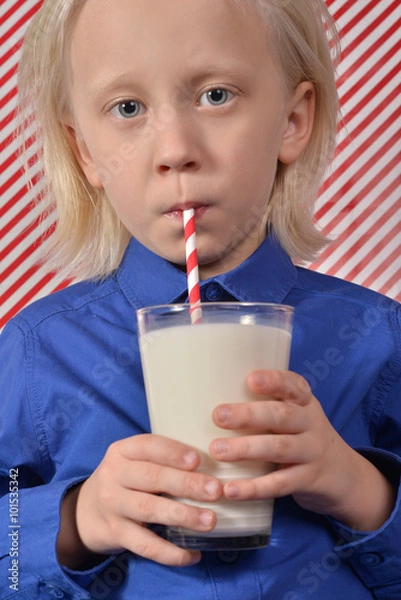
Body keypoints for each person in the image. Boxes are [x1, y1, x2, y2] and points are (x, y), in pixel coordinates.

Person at [0, 0, 400, 598]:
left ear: (292, 120)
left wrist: (364, 492)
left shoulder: (377, 336)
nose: (176, 149)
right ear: (85, 152)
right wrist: (74, 522)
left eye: (216, 95)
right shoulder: (36, 351)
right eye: (128, 108)